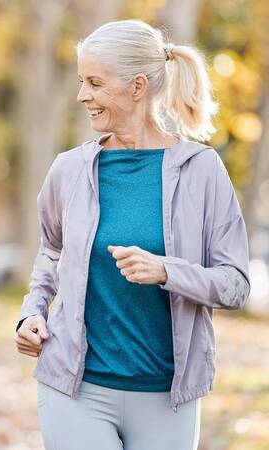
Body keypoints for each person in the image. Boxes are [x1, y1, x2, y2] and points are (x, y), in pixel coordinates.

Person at [14, 19, 250, 450]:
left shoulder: (202, 171)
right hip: (75, 388)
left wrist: (167, 271)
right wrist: (32, 312)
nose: (83, 95)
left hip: (167, 395)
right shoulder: (69, 169)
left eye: (95, 83)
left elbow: (235, 285)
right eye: (82, 82)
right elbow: (51, 253)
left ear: (137, 86)